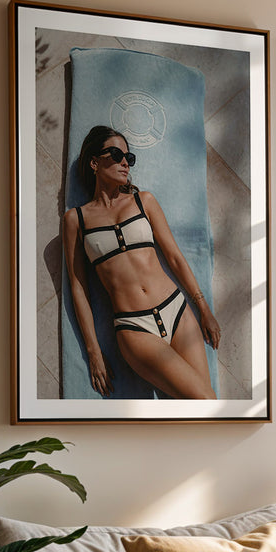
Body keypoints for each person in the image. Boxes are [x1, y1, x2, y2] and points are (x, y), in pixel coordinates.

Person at [63, 125, 220, 399]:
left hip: (177, 312)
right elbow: (79, 287)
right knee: (204, 401)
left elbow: (174, 257)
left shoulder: (143, 201)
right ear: (94, 162)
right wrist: (93, 352)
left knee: (205, 407)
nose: (125, 162)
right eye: (116, 154)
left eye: (129, 157)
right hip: (134, 328)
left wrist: (203, 308)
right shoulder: (76, 220)